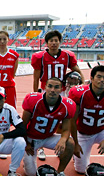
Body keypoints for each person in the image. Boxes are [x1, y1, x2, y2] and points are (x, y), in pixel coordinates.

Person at [31, 30, 82, 160]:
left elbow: (76, 69)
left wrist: (82, 80)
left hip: (62, 91)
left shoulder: (67, 55)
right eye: (51, 41)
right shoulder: (40, 57)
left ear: (60, 42)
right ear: (47, 43)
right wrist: (35, 91)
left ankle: (60, 146)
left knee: (62, 119)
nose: (54, 43)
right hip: (44, 90)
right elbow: (36, 76)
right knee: (41, 118)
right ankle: (40, 147)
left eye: (56, 40)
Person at [21, 77, 78, 176]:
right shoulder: (33, 100)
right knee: (30, 174)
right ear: (45, 87)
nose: (52, 90)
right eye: (50, 86)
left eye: (56, 87)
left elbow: (66, 129)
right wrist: (26, 143)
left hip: (48, 137)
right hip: (31, 139)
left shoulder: (67, 105)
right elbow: (23, 125)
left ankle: (60, 172)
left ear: (61, 89)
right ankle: (27, 162)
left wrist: (62, 139)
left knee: (69, 143)